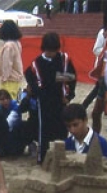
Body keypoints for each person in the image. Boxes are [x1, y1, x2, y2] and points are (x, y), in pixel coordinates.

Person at [24, 32, 76, 164]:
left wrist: (69, 96)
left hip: (60, 101)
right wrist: (42, 88)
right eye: (49, 51)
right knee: (44, 131)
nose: (52, 54)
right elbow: (32, 81)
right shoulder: (37, 63)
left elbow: (72, 77)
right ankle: (43, 158)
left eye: (54, 51)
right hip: (44, 102)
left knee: (62, 129)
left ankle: (61, 158)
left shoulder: (64, 60)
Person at [0, 89, 26, 157]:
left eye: (7, 98)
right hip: (4, 138)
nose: (5, 101)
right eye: (2, 99)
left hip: (15, 136)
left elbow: (8, 123)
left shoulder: (15, 106)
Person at [0, 20, 24, 100]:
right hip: (16, 79)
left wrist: (4, 78)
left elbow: (7, 64)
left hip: (9, 80)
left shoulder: (8, 46)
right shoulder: (17, 43)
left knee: (7, 103)